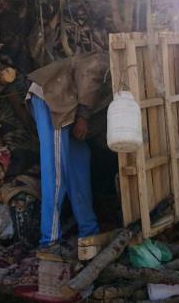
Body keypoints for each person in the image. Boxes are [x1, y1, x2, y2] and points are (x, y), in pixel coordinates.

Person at [27, 51, 111, 250]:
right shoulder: (108, 59)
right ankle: (49, 240)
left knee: (80, 165)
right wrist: (83, 116)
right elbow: (88, 71)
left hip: (69, 110)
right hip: (54, 99)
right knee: (56, 171)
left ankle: (88, 230)